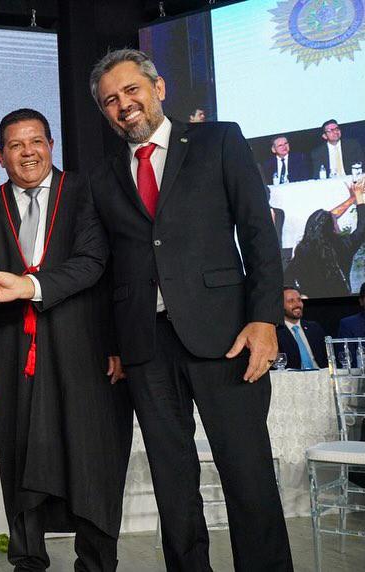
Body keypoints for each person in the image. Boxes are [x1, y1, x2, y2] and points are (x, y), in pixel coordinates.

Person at [73, 49, 290, 570]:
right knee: (174, 486)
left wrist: (265, 319)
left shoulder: (220, 141)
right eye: (110, 101)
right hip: (146, 348)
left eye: (131, 91)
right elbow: (103, 269)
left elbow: (259, 233)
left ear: (159, 88)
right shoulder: (101, 177)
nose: (124, 105)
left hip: (227, 337)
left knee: (248, 477)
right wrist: (114, 346)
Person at [0, 108, 133, 571]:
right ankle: (28, 559)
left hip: (86, 345)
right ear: (0, 156)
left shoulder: (85, 192)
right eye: (15, 146)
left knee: (92, 452)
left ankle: (95, 562)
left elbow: (100, 263)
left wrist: (118, 343)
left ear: (51, 145)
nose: (27, 152)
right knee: (19, 450)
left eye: (36, 141)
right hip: (12, 347)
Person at [283, 180, 365, 298]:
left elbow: (322, 221)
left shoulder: (302, 251)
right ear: (332, 229)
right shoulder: (343, 245)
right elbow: (362, 229)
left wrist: (352, 199)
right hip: (341, 303)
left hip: (313, 307)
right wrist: (359, 198)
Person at [275, 286, 327, 369]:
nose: (297, 304)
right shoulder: (275, 332)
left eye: (299, 300)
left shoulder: (314, 328)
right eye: (291, 301)